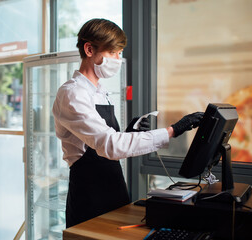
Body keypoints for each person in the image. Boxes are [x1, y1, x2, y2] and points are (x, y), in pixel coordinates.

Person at [52, 18, 203, 228]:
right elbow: (109, 145)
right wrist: (172, 131)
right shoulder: (72, 93)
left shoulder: (101, 92)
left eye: (120, 52)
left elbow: (104, 140)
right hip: (89, 194)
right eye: (113, 52)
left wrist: (128, 132)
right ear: (89, 50)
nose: (118, 58)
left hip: (114, 185)